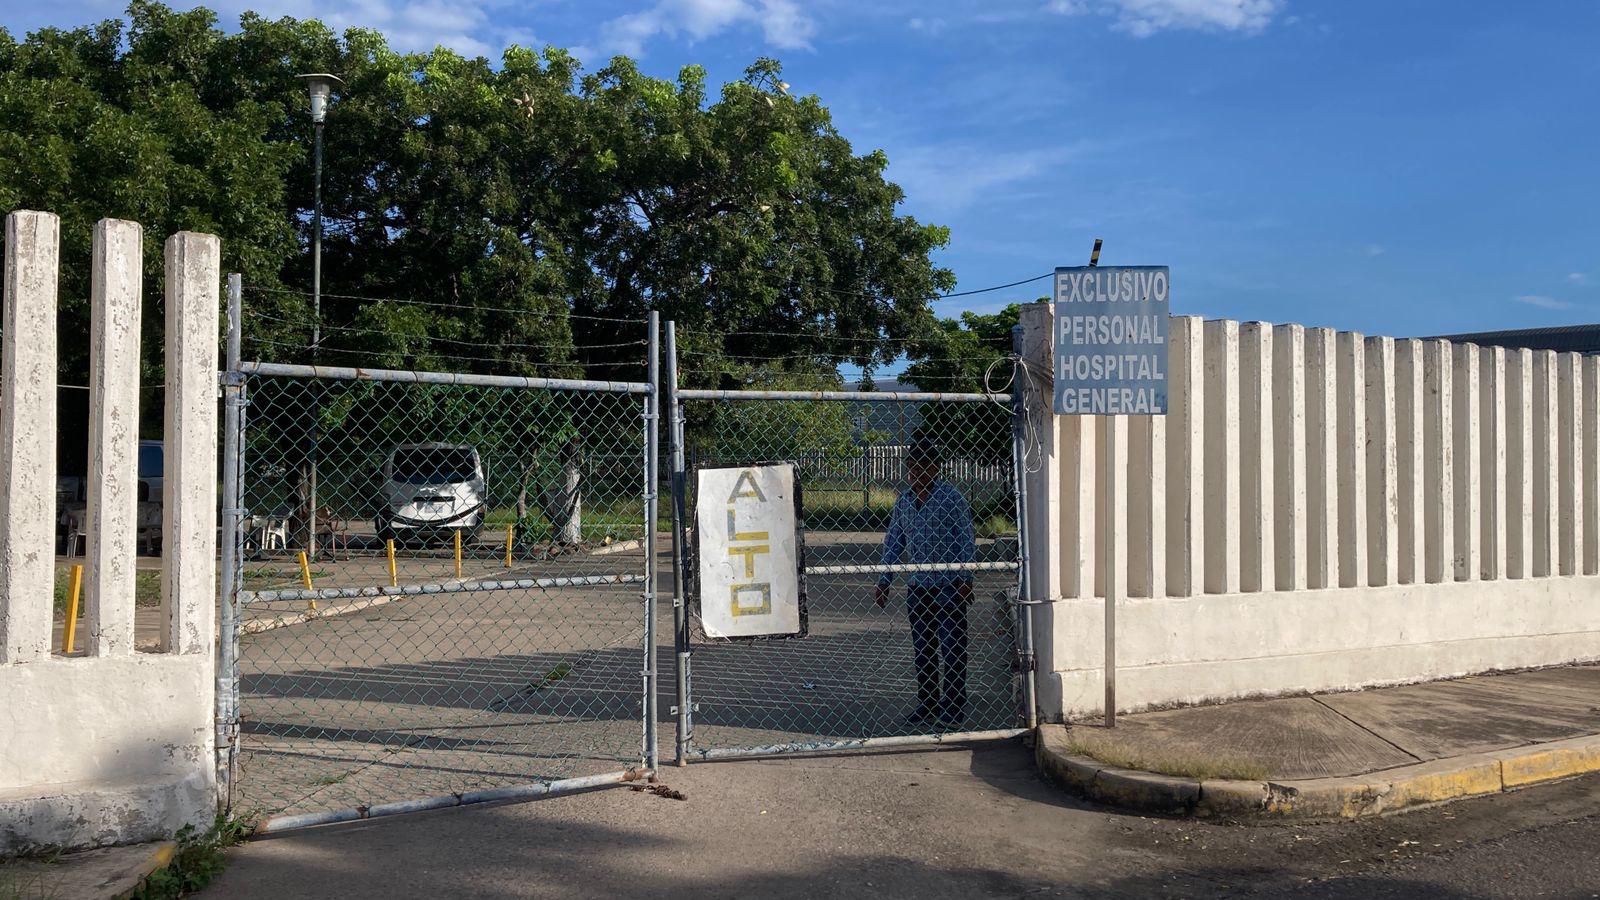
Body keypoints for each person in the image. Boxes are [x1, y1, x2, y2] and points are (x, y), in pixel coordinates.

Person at [874, 435, 976, 727]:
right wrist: (885, 579)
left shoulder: (950, 497)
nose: (917, 471)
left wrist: (966, 576)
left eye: (923, 465)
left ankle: (954, 706)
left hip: (948, 586)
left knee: (953, 649)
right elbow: (894, 540)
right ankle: (928, 703)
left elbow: (965, 538)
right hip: (918, 588)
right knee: (924, 650)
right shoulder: (904, 501)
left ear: (936, 467)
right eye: (913, 465)